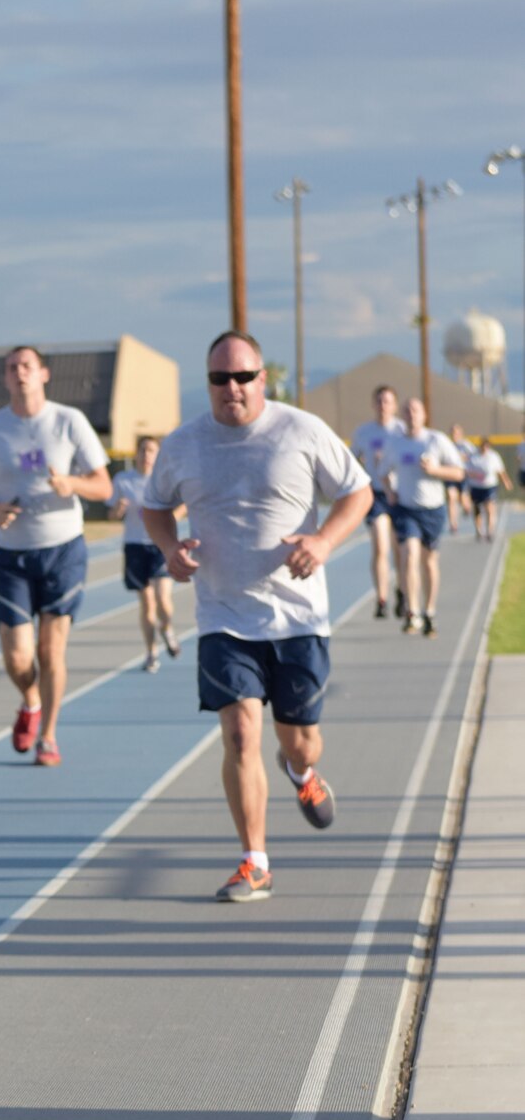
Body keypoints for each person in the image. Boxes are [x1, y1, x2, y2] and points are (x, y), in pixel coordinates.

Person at [140, 330, 371, 903]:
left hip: (297, 620)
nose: (232, 388)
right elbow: (153, 506)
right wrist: (171, 550)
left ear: (263, 378)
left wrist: (321, 542)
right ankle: (254, 861)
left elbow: (357, 493)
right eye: (220, 378)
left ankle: (301, 773)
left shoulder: (301, 430)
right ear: (209, 382)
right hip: (223, 616)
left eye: (243, 377)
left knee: (300, 743)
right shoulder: (184, 443)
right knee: (240, 733)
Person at [0, 345, 112, 765]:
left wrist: (73, 485)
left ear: (44, 374)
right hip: (12, 554)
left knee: (51, 652)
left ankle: (47, 736)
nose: (20, 373)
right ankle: (31, 700)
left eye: (27, 366)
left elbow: (104, 486)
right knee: (16, 657)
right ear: (4, 378)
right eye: (12, 368)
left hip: (62, 549)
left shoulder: (69, 421)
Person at [384, 397, 463, 636]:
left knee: (429, 562)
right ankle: (412, 611)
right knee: (409, 556)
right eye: (407, 411)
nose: (411, 414)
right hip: (406, 509)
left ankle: (429, 610)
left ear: (424, 415)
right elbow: (382, 473)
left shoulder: (436, 440)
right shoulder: (395, 443)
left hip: (432, 509)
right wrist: (390, 493)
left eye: (415, 410)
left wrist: (435, 470)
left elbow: (459, 473)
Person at [107, 435, 182, 671]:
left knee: (163, 600)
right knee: (147, 604)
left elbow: (184, 504)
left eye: (151, 450)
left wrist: (168, 519)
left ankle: (167, 628)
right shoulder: (123, 479)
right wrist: (118, 510)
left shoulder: (164, 479)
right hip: (135, 545)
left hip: (160, 544)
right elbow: (111, 515)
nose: (146, 455)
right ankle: (151, 652)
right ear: (136, 453)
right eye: (143, 450)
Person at [349, 383, 404, 618]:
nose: (383, 406)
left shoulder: (402, 431)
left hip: (401, 495)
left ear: (395, 405)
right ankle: (381, 598)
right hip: (376, 494)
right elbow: (352, 462)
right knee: (380, 546)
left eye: (388, 401)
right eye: (379, 401)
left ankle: (402, 590)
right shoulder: (363, 433)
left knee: (400, 549)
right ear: (374, 404)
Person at [460, 433, 509, 541]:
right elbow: (466, 470)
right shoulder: (474, 456)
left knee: (489, 507)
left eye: (487, 446)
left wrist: (506, 482)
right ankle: (478, 530)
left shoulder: (493, 456)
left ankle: (490, 531)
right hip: (476, 486)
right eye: (483, 446)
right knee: (477, 508)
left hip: (489, 486)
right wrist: (475, 475)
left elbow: (500, 471)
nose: (485, 448)